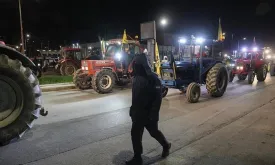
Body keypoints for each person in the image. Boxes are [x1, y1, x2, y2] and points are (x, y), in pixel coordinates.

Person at [126, 53, 171, 165]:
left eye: (136, 64)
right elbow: (135, 96)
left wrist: (153, 115)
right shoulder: (136, 78)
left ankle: (166, 145)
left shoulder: (153, 79)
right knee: (135, 134)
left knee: (154, 132)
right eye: (134, 64)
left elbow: (158, 99)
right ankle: (137, 157)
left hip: (149, 113)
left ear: (142, 65)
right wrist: (133, 109)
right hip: (138, 113)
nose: (134, 66)